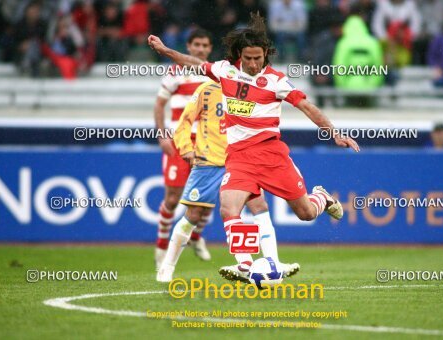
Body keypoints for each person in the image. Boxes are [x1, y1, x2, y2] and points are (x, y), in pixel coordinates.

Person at [148, 13, 359, 282]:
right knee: (228, 207)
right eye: (247, 58)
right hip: (239, 158)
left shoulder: (276, 81)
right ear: (240, 55)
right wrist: (166, 51)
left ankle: (323, 198)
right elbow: (195, 63)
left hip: (271, 155)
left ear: (265, 56)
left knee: (305, 213)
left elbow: (306, 106)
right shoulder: (226, 70)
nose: (252, 63)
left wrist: (334, 133)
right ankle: (247, 265)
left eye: (257, 58)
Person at [157, 81, 297, 282]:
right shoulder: (207, 89)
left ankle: (266, 262)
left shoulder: (249, 89)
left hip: (242, 160)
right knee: (193, 215)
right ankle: (167, 267)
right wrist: (185, 146)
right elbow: (184, 121)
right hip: (209, 162)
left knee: (259, 205)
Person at [153, 29, 212, 270]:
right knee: (173, 198)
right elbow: (159, 104)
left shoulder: (214, 74)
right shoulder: (175, 72)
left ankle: (196, 238)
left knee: (206, 199)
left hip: (208, 145)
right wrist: (161, 135)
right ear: (188, 46)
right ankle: (161, 247)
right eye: (196, 44)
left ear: (209, 48)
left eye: (204, 44)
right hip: (179, 144)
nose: (200, 48)